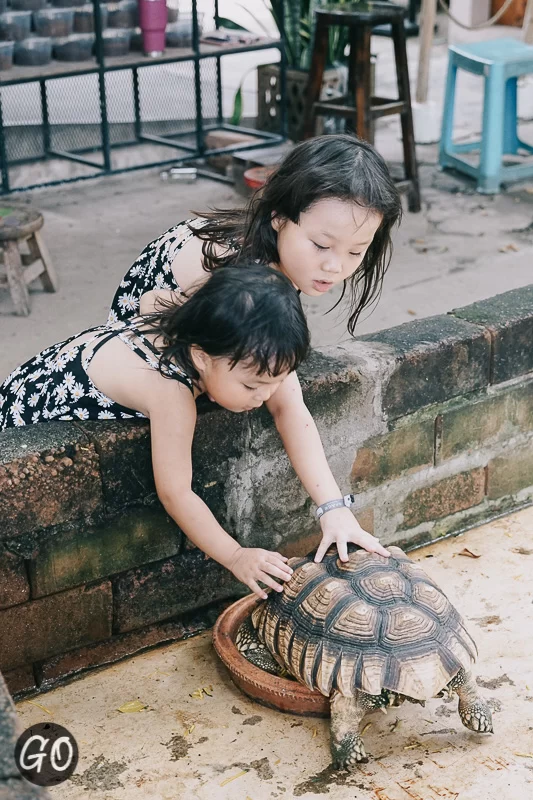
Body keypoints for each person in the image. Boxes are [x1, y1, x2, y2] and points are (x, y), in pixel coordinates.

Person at [0, 266, 389, 601]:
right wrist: (235, 556)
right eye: (252, 386)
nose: (265, 396)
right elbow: (175, 492)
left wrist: (333, 509)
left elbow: (151, 297)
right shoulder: (169, 392)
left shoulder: (189, 314)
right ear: (201, 356)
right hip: (26, 416)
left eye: (275, 381)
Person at [108, 134, 402, 337]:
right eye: (321, 245)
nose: (335, 266)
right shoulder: (233, 271)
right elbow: (153, 315)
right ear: (279, 216)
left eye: (355, 251)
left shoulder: (282, 257)